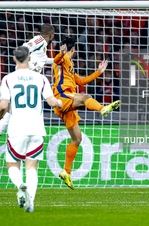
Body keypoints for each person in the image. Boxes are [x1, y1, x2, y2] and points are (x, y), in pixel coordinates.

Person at [0, 46, 62, 212]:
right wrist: (63, 103)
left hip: (17, 128)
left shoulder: (8, 79)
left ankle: (20, 185)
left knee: (12, 165)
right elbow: (53, 102)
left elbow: (4, 104)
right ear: (30, 59)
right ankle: (30, 201)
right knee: (31, 167)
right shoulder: (40, 78)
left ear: (14, 59)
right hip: (36, 129)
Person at [53, 37, 121, 190]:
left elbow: (81, 82)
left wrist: (99, 72)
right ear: (73, 49)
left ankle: (66, 172)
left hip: (67, 102)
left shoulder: (70, 65)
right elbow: (56, 60)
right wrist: (61, 52)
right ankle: (102, 108)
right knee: (86, 98)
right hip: (62, 96)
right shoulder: (63, 59)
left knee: (77, 138)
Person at [0, 23, 55, 165]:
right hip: (23, 80)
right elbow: (23, 49)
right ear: (51, 35)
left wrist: (58, 60)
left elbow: (41, 59)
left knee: (10, 113)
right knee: (11, 113)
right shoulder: (39, 40)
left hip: (28, 82)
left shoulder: (42, 46)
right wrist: (28, 66)